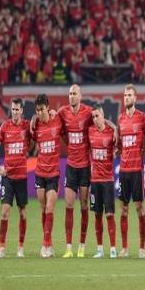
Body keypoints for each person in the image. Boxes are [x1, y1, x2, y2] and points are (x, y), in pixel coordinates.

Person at [0, 98, 32, 258]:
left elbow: (36, 138)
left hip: (21, 177)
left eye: (17, 109)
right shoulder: (5, 126)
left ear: (21, 111)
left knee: (23, 213)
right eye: (13, 109)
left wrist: (31, 149)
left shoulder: (27, 126)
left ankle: (20, 248)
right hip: (8, 177)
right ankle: (2, 248)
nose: (15, 112)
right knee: (5, 212)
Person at [58, 84, 93, 258]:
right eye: (70, 93)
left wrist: (112, 127)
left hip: (85, 167)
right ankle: (69, 248)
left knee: (84, 205)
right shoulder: (63, 112)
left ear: (80, 96)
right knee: (69, 205)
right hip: (71, 166)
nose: (71, 96)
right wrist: (35, 118)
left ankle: (82, 246)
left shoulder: (89, 112)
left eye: (74, 93)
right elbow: (51, 119)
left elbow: (100, 122)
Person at [117, 84, 145, 258]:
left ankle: (142, 248)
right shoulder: (120, 119)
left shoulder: (142, 118)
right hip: (123, 170)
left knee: (139, 208)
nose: (126, 98)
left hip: (136, 170)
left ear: (135, 98)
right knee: (123, 209)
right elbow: (119, 143)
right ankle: (125, 248)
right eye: (125, 95)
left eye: (129, 95)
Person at [31, 94, 63, 258]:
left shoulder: (57, 120)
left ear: (48, 108)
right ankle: (49, 244)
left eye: (41, 109)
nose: (39, 113)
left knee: (50, 208)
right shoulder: (35, 125)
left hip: (53, 173)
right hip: (39, 173)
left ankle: (44, 246)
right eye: (37, 110)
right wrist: (32, 118)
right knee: (43, 209)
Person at [89, 103, 117, 258]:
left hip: (107, 180)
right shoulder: (90, 131)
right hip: (95, 181)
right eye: (93, 116)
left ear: (103, 116)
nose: (95, 119)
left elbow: (119, 147)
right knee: (97, 215)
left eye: (97, 116)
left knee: (110, 215)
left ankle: (113, 249)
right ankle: (100, 249)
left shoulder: (111, 132)